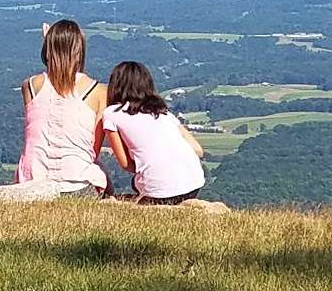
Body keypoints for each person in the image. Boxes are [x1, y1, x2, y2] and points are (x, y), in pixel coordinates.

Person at [16, 20, 110, 197]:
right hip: (77, 185)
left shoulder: (30, 86)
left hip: (31, 185)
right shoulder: (98, 92)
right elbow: (92, 151)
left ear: (47, 50)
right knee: (101, 173)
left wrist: (50, 42)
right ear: (78, 52)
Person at [103, 61, 206, 205]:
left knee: (136, 183)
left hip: (158, 192)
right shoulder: (163, 113)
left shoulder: (111, 114)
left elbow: (126, 164)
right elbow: (198, 150)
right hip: (194, 183)